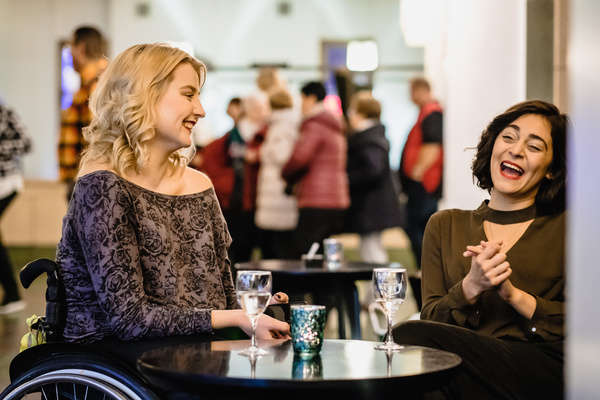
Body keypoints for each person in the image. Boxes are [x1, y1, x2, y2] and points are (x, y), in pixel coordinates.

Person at [55, 43, 289, 344]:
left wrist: (254, 312)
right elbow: (129, 320)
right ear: (144, 95)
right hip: (117, 363)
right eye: (188, 94)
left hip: (195, 355)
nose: (201, 111)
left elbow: (221, 299)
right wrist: (234, 317)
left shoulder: (199, 185)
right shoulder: (102, 185)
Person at [392, 100, 568, 399]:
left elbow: (587, 323)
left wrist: (514, 296)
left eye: (535, 147)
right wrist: (470, 287)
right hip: (467, 367)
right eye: (509, 137)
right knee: (424, 364)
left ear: (551, 170)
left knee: (411, 345)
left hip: (541, 366)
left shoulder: (569, 228)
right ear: (493, 147)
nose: (516, 150)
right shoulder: (445, 224)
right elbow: (431, 321)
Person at [200, 93, 270, 266]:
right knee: (237, 251)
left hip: (252, 200)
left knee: (245, 252)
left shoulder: (261, 134)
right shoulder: (234, 137)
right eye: (259, 109)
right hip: (237, 202)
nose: (263, 113)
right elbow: (211, 162)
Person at [282, 81, 349, 258]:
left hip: (317, 197)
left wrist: (285, 174)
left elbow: (299, 158)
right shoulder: (333, 124)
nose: (300, 105)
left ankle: (309, 287)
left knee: (305, 251)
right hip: (334, 196)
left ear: (311, 99)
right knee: (322, 253)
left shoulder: (315, 124)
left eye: (302, 99)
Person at [345, 91, 402, 263]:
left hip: (372, 205)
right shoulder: (374, 135)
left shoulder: (369, 137)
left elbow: (373, 169)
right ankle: (377, 288)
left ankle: (381, 288)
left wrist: (347, 179)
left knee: (372, 252)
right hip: (374, 204)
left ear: (361, 112)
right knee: (370, 249)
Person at [58, 26, 109, 202]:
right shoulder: (88, 83)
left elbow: (100, 138)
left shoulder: (100, 83)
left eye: (71, 46)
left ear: (80, 47)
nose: (69, 53)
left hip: (91, 181)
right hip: (83, 178)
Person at [399, 77, 443, 269]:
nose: (410, 96)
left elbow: (432, 148)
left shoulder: (432, 114)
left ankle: (426, 268)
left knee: (417, 227)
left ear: (420, 90)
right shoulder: (425, 114)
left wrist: (417, 174)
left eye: (411, 91)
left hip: (425, 184)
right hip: (422, 184)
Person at [255, 88, 300, 259]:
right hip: (277, 190)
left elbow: (284, 155)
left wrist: (264, 153)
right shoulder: (286, 124)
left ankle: (277, 283)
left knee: (277, 249)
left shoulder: (283, 126)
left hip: (278, 190)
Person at [0, 101, 33, 314]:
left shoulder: (4, 111)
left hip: (5, 183)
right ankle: (11, 294)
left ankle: (13, 294)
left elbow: (26, 143)